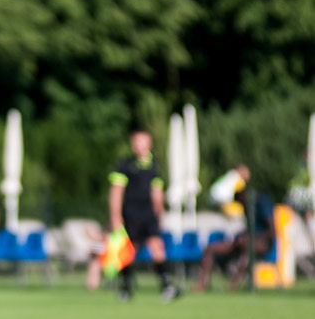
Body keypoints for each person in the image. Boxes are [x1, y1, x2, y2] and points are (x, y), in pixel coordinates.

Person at [108, 128, 180, 302]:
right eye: (136, 142)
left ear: (149, 144)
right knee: (129, 251)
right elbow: (116, 191)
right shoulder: (125, 164)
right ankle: (126, 287)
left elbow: (157, 192)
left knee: (157, 247)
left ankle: (165, 285)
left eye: (143, 142)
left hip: (148, 214)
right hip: (131, 212)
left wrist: (159, 213)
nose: (139, 146)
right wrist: (115, 215)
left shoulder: (154, 165)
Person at [195, 165, 275, 291]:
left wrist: (250, 237)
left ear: (244, 196)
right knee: (210, 248)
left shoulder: (262, 204)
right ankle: (202, 284)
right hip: (245, 241)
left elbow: (272, 232)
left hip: (263, 243)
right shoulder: (247, 207)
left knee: (246, 247)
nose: (240, 205)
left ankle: (233, 284)